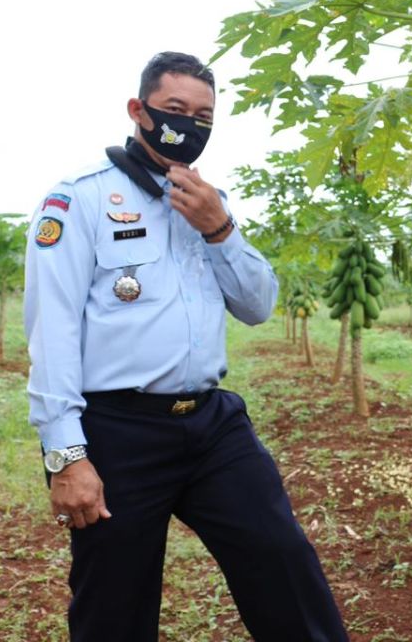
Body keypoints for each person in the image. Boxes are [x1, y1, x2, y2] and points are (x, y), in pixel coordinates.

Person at [24, 52, 348, 642]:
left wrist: (218, 226)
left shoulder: (209, 200)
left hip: (211, 424)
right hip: (120, 431)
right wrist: (67, 457)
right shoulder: (81, 200)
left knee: (282, 560)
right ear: (138, 111)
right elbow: (53, 332)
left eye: (203, 115)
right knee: (113, 605)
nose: (188, 125)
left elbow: (257, 306)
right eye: (175, 110)